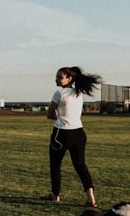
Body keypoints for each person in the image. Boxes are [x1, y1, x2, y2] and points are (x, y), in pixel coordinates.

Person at [43, 66, 101, 207]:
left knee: (55, 165)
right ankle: (91, 197)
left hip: (61, 134)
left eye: (59, 77)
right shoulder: (78, 93)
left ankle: (55, 195)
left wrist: (58, 116)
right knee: (80, 165)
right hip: (79, 133)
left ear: (69, 78)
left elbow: (50, 114)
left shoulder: (59, 93)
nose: (56, 79)